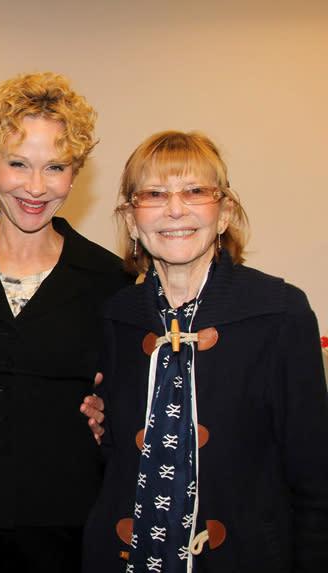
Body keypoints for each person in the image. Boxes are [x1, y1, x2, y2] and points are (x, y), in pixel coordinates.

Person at [0, 72, 133, 572]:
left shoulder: (109, 278)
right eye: (18, 164)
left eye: (55, 167)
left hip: (64, 524)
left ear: (75, 173)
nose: (36, 187)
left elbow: (127, 389)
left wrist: (112, 411)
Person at [83, 131, 328, 571]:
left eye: (195, 191)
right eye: (154, 194)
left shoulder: (280, 313)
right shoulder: (117, 316)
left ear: (224, 214)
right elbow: (118, 456)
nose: (175, 209)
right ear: (133, 220)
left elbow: (317, 481)